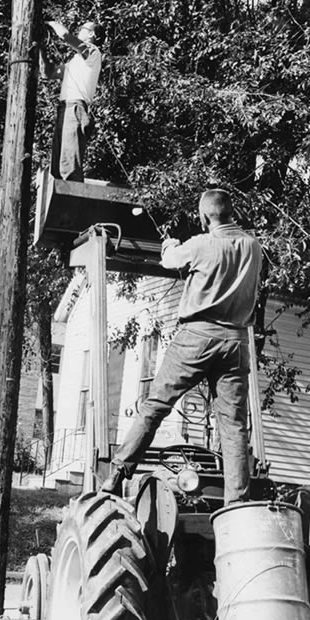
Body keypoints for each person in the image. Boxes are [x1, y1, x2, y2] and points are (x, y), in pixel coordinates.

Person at [101, 189, 263, 504]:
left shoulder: (201, 244)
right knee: (233, 427)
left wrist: (170, 244)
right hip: (237, 342)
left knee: (155, 406)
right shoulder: (253, 247)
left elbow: (169, 260)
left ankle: (117, 474)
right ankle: (236, 504)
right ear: (232, 214)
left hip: (198, 337)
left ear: (204, 218)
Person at [41, 19, 104, 181]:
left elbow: (65, 36)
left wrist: (50, 23)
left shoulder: (93, 52)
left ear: (91, 34)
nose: (79, 31)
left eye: (83, 28)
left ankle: (72, 200)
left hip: (75, 108)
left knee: (69, 165)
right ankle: (61, 199)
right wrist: (41, 48)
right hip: (65, 109)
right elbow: (48, 74)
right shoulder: (76, 62)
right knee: (58, 166)